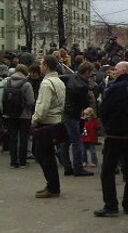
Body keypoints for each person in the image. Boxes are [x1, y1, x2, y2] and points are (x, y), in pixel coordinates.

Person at [94, 62, 128, 217]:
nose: (113, 72)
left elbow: (104, 110)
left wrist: (108, 126)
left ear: (123, 71)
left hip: (115, 134)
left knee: (108, 171)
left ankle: (111, 205)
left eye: (116, 69)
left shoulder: (114, 88)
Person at [31, 55, 66, 198]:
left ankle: (52, 186)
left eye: (41, 64)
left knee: (43, 155)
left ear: (46, 65)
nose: (40, 66)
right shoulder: (59, 81)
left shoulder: (46, 83)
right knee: (48, 155)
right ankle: (53, 185)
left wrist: (34, 119)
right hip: (56, 121)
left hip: (46, 122)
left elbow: (42, 105)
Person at [57, 61, 95, 176]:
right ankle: (78, 168)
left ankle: (67, 166)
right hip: (74, 114)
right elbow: (85, 103)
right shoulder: (83, 85)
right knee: (76, 142)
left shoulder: (71, 77)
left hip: (66, 113)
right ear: (87, 72)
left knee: (65, 142)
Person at [4, 64, 35, 168]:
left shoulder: (8, 82)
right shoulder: (26, 84)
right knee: (23, 138)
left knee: (13, 138)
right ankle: (22, 162)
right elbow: (31, 101)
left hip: (11, 114)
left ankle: (13, 162)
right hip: (24, 115)